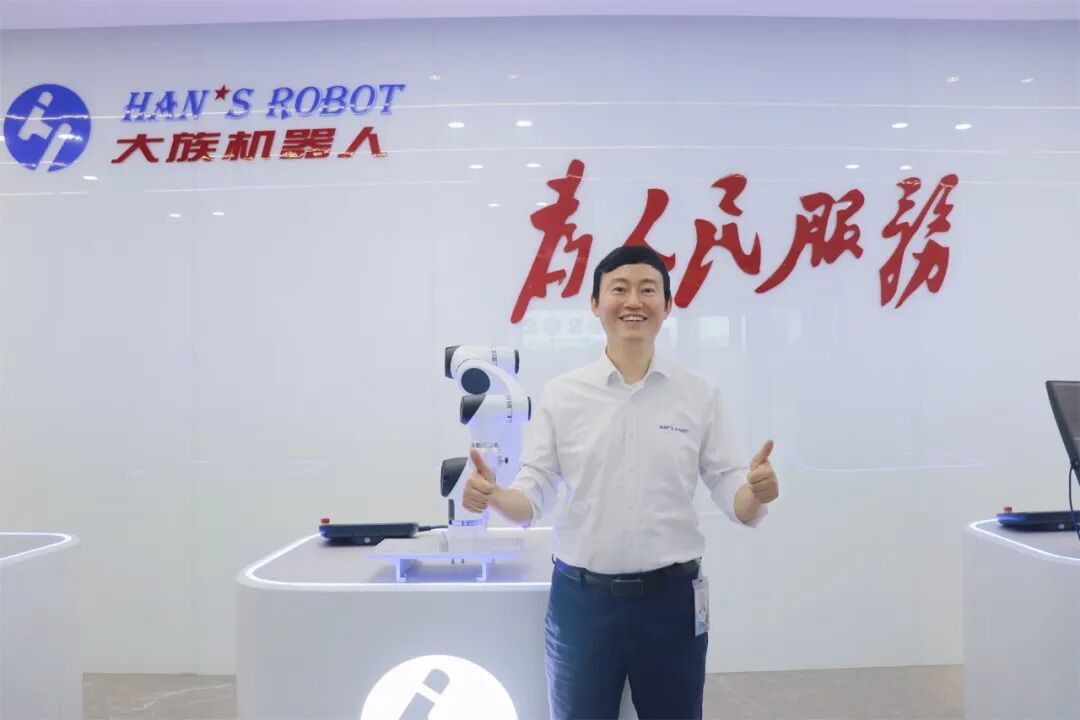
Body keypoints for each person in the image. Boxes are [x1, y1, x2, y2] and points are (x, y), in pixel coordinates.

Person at [462, 245, 779, 720]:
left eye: (648, 290)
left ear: (667, 306)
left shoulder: (698, 394)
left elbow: (730, 488)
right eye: (619, 289)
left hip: (672, 602)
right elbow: (535, 489)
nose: (634, 301)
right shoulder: (563, 395)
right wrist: (495, 496)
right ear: (595, 304)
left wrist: (755, 494)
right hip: (582, 604)